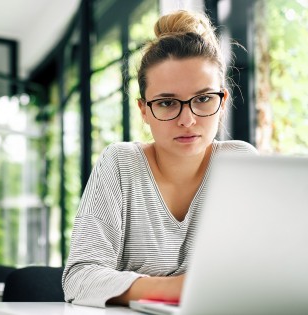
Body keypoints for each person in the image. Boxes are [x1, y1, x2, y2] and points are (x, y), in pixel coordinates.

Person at [62, 9, 258, 308]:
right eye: (167, 103)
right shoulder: (120, 163)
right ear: (144, 110)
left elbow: (258, 270)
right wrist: (181, 288)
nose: (188, 120)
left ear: (222, 102)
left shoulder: (240, 164)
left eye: (203, 99)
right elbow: (79, 278)